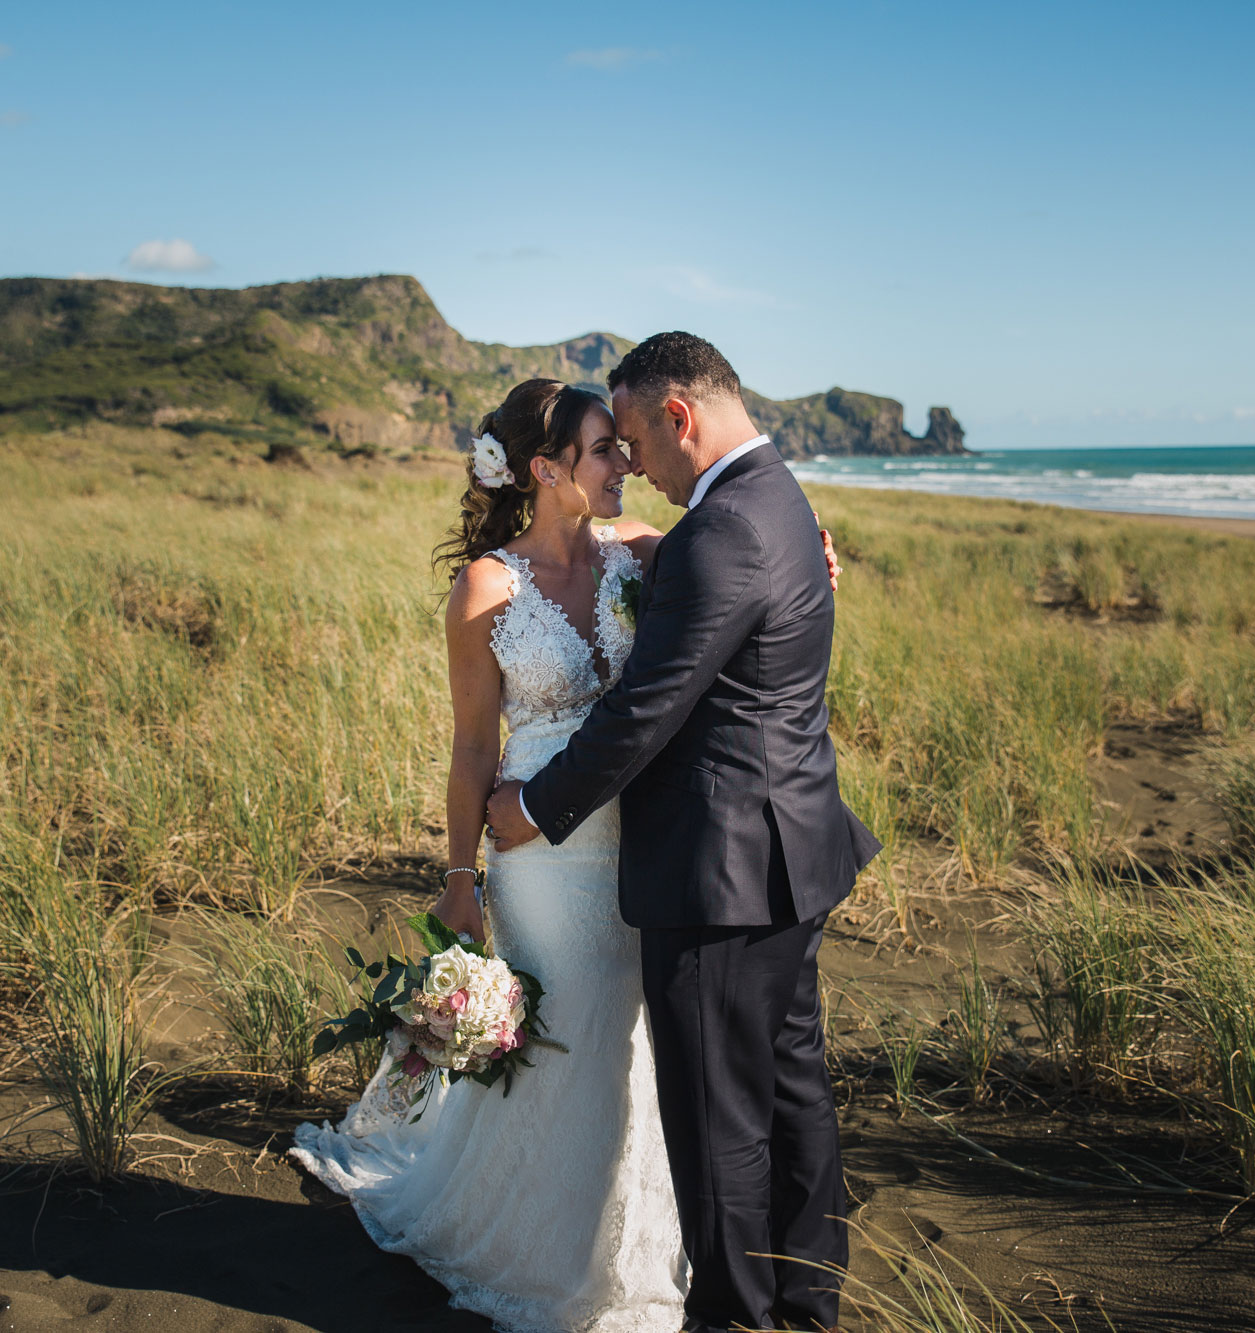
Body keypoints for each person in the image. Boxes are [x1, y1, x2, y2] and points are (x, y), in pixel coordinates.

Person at [290, 374, 847, 1333]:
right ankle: (545, 1248)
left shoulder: (644, 550)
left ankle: (658, 1241)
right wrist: (460, 879)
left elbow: (744, 565)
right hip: (536, 853)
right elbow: (473, 746)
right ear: (547, 471)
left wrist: (814, 552)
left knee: (643, 1049)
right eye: (603, 448)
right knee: (571, 1040)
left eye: (625, 444)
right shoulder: (486, 588)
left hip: (643, 841)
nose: (626, 460)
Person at [487, 333, 881, 1333]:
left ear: (678, 418)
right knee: (790, 1100)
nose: (633, 467)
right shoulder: (773, 498)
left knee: (719, 1130)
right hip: (788, 856)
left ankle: (738, 1320)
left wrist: (530, 808)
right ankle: (802, 1306)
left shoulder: (721, 531)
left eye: (633, 440)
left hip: (719, 877)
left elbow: (644, 710)